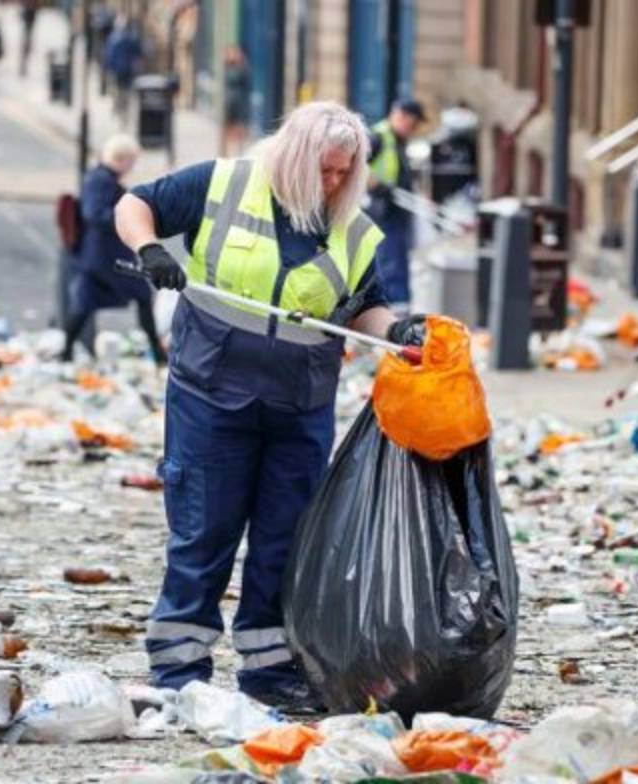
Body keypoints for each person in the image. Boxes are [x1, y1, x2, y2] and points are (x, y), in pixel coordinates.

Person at [114, 101, 424, 711]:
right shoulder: (224, 184)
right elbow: (134, 203)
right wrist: (152, 250)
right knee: (205, 530)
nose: (333, 183)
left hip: (299, 405)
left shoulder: (352, 229)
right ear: (296, 157)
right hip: (212, 393)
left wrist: (398, 333)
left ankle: (268, 668)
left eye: (344, 173)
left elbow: (367, 302)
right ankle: (179, 669)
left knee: (286, 541)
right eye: (325, 171)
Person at [62, 134, 166, 365]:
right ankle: (157, 352)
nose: (132, 166)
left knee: (84, 303)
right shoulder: (101, 180)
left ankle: (66, 351)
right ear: (122, 158)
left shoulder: (101, 177)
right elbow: (94, 214)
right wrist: (127, 219)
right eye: (132, 160)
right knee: (141, 294)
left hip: (96, 255)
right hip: (105, 256)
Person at [365, 98, 425, 308]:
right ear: (401, 116)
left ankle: (400, 304)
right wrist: (377, 186)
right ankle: (393, 307)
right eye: (413, 123)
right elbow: (357, 167)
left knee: (397, 258)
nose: (414, 129)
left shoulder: (397, 140)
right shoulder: (378, 138)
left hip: (396, 210)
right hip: (383, 212)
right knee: (389, 261)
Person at [104, 15, 143, 124]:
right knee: (125, 91)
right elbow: (138, 52)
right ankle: (123, 109)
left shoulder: (113, 39)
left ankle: (118, 108)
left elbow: (109, 56)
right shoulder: (130, 38)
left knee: (117, 90)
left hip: (117, 70)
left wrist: (108, 68)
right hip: (127, 70)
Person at [222, 46, 250, 156]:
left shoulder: (242, 68)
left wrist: (241, 62)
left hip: (239, 102)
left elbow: (245, 78)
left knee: (239, 127)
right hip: (228, 101)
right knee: (227, 127)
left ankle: (238, 151)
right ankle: (227, 152)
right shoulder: (226, 68)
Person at [19, 0, 39, 78]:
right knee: (26, 41)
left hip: (29, 17)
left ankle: (23, 67)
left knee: (27, 40)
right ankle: (23, 67)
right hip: (28, 18)